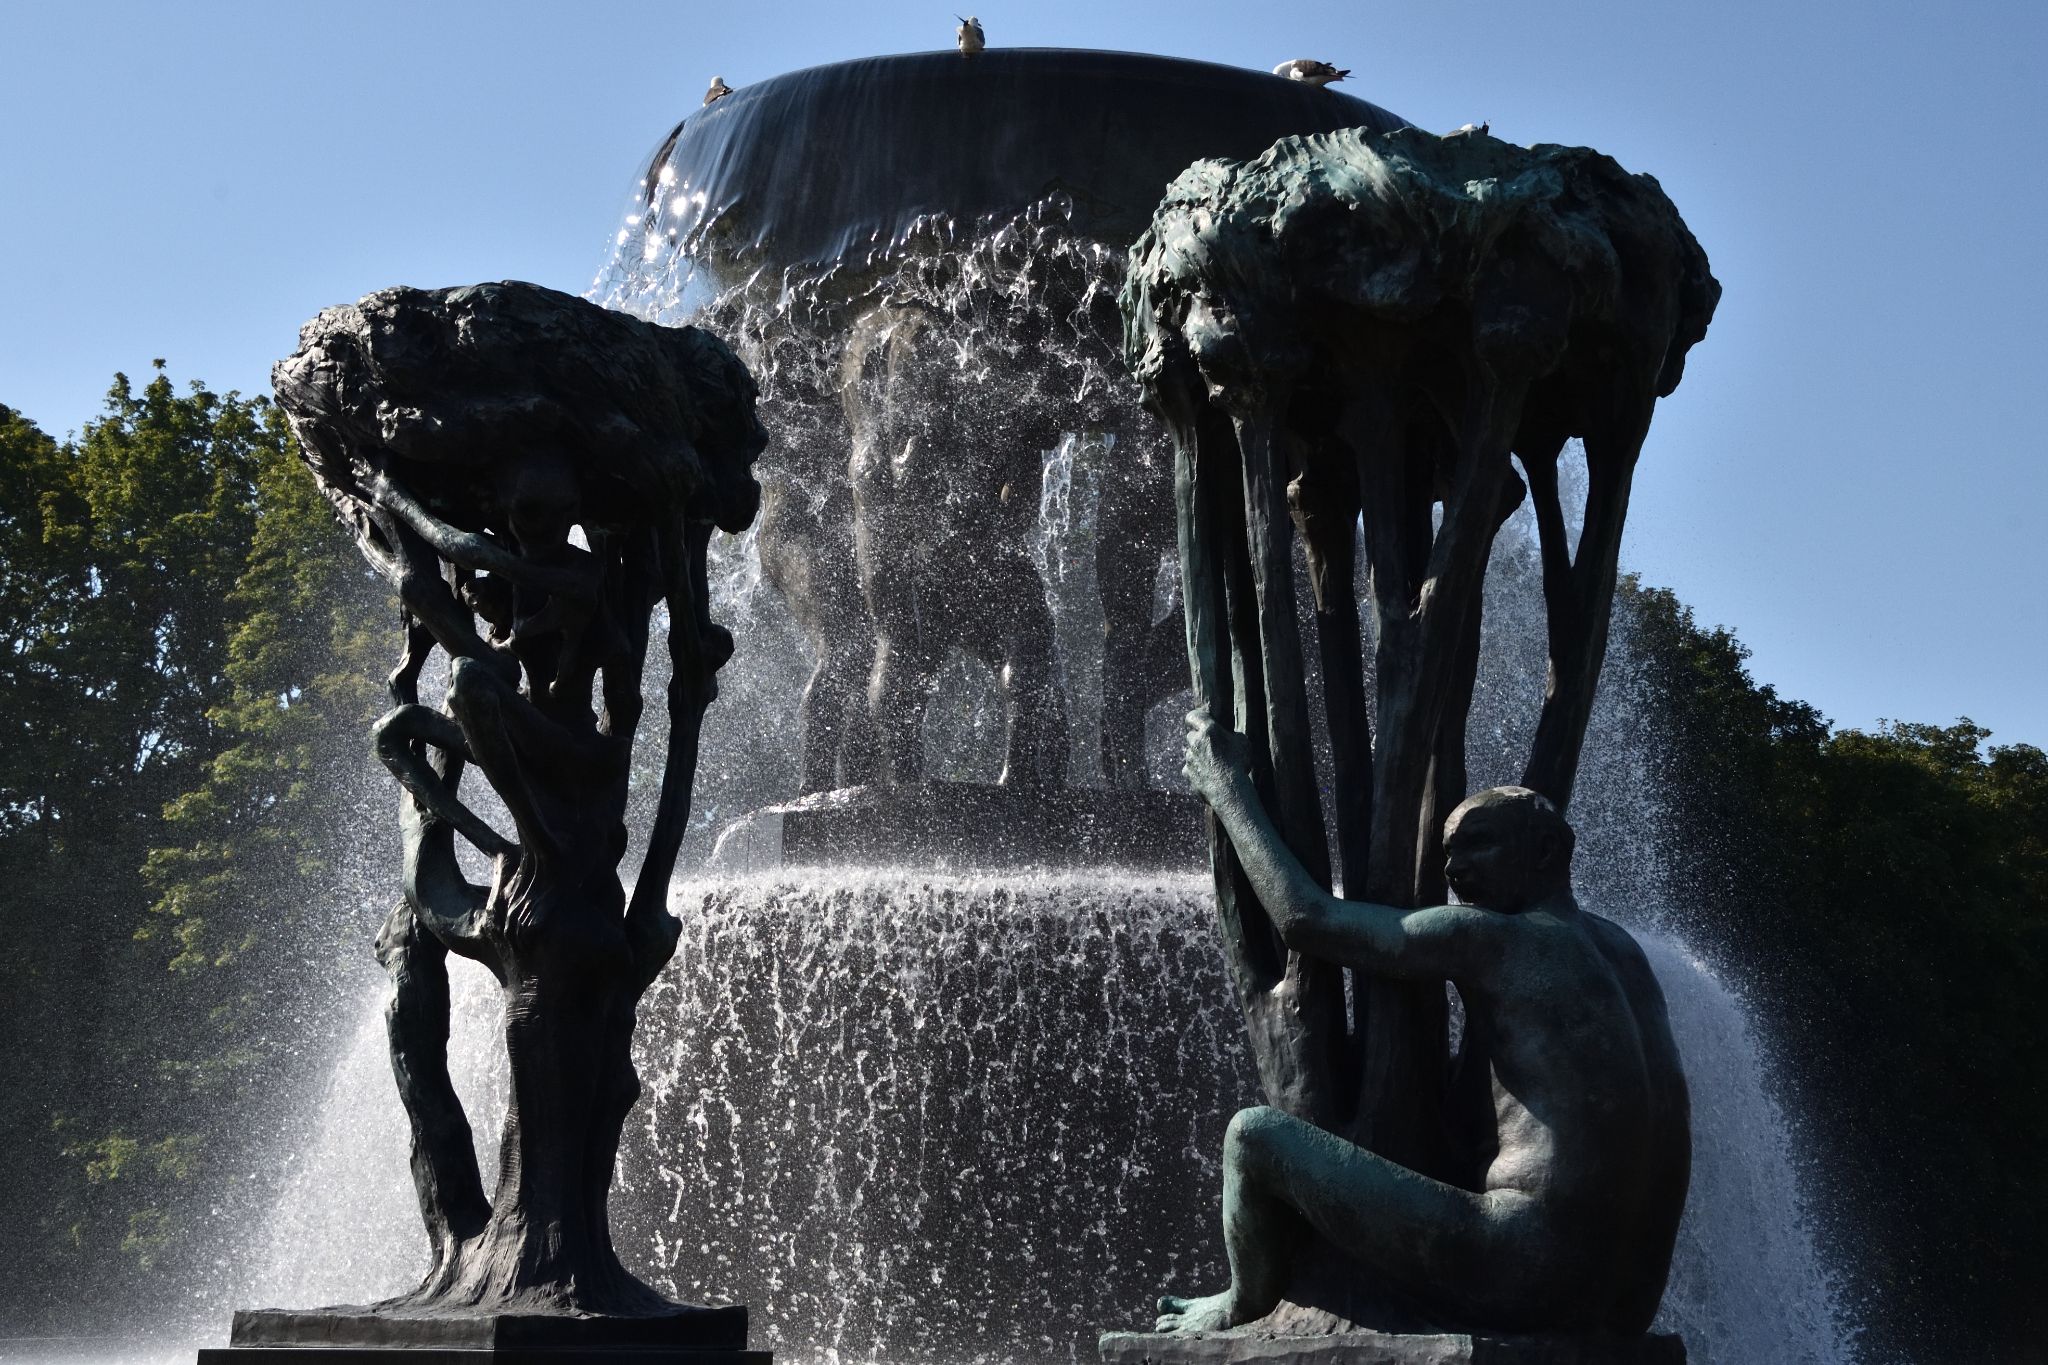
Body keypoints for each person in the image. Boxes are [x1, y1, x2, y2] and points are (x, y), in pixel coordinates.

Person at [1160, 708, 1690, 1336]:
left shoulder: (1495, 937)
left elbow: (1307, 920)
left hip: (1522, 1273)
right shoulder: (1627, 955)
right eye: (1449, 853)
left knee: (1253, 1137)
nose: (1454, 871)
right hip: (1628, 1300)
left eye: (1480, 844)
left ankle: (1242, 1303)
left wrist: (1227, 788)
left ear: (1548, 850)